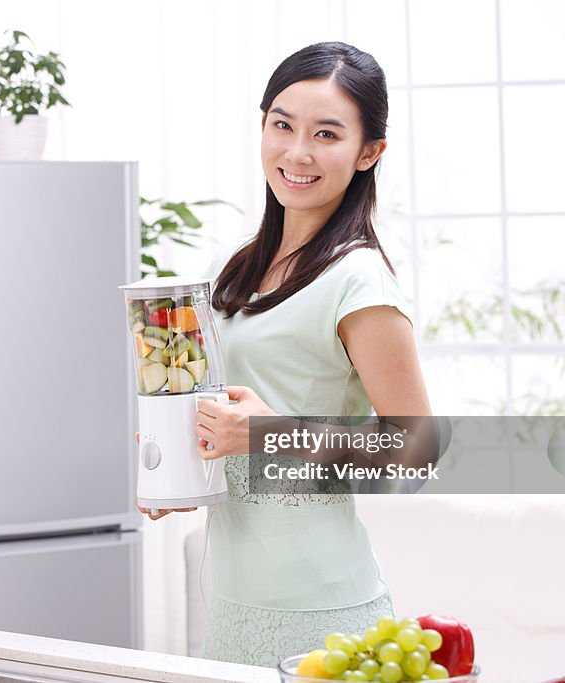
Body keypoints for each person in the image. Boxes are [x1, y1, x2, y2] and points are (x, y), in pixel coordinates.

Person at [137, 41, 431, 667]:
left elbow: (418, 449)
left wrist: (273, 436)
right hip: (236, 601)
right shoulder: (238, 268)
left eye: (327, 134)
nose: (297, 153)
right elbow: (229, 420)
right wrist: (183, 473)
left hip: (325, 610)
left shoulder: (359, 280)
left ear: (369, 152)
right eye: (282, 124)